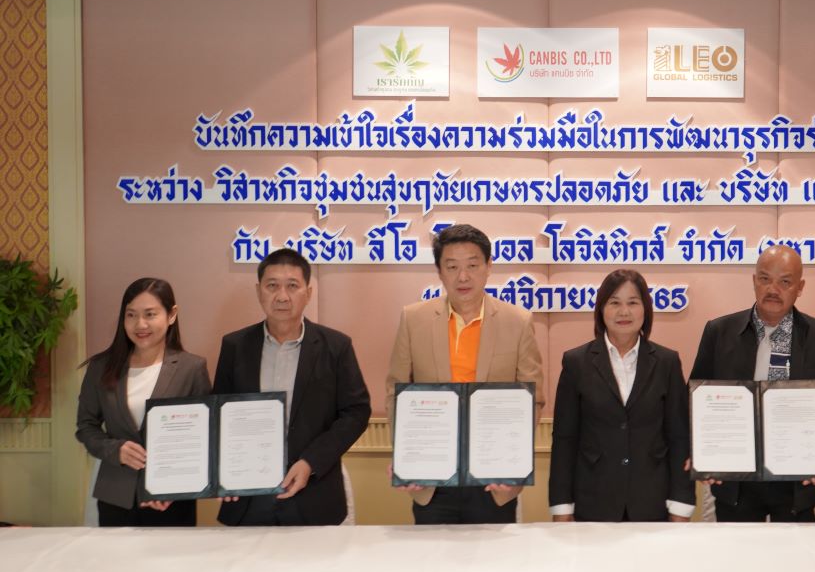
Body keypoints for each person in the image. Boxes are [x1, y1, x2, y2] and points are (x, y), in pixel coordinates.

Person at [387, 223, 543, 524]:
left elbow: (532, 399)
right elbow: (396, 392)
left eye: (472, 265)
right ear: (439, 271)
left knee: (493, 554)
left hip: (493, 480)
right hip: (431, 479)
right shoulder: (413, 319)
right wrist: (406, 457)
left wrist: (514, 461)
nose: (463, 276)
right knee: (433, 553)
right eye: (452, 266)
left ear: (488, 266)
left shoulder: (518, 321)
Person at [213, 248, 370, 526]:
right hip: (248, 494)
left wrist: (311, 462)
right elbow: (219, 413)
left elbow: (356, 412)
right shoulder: (235, 346)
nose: (282, 296)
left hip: (313, 490)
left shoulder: (336, 346)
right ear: (258, 291)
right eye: (272, 286)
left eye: (292, 286)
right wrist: (223, 471)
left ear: (308, 293)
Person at [690, 244, 815, 522]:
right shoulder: (719, 332)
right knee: (735, 550)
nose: (773, 289)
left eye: (785, 282)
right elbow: (697, 397)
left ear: (800, 287)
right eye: (765, 279)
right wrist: (702, 451)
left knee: (796, 549)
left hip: (798, 475)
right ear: (754, 281)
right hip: (734, 477)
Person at [549, 269, 694, 522]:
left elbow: (679, 437)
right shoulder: (576, 362)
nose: (624, 312)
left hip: (652, 501)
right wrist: (562, 509)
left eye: (633, 303)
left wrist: (680, 507)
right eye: (614, 303)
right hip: (593, 501)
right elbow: (565, 439)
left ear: (645, 309)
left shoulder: (667, 362)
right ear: (601, 310)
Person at [76, 277, 211, 526]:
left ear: (172, 315)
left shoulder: (191, 368)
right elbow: (86, 426)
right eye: (131, 315)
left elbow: (204, 434)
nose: (140, 324)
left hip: (171, 497)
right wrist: (115, 449)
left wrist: (177, 486)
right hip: (116, 494)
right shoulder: (101, 367)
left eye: (150, 314)